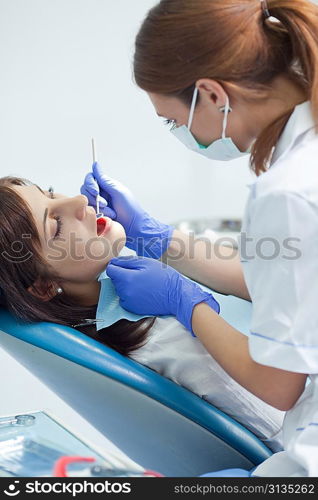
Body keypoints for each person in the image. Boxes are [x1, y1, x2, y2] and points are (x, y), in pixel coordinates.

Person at [81, 0, 318, 477]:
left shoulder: (289, 191)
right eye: (53, 218)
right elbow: (291, 283)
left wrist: (188, 303)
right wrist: (157, 238)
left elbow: (278, 385)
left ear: (212, 94)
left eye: (172, 120)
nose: (177, 132)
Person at [0, 176, 284, 453]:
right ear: (43, 286)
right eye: (56, 225)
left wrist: (158, 238)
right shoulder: (164, 338)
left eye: (50, 192)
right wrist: (188, 302)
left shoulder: (107, 325)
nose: (79, 199)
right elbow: (282, 424)